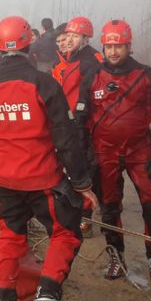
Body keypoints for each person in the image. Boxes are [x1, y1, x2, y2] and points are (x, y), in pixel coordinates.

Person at [0, 15, 98, 301]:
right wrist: (81, 183)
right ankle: (48, 296)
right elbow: (66, 138)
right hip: (43, 181)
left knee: (10, 236)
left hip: (2, 181)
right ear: (31, 46)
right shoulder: (44, 83)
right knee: (66, 232)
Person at [76, 19, 151, 290]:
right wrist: (85, 156)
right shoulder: (92, 76)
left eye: (119, 46)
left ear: (129, 46)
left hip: (140, 151)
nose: (113, 51)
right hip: (104, 152)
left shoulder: (148, 76)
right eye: (109, 46)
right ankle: (115, 256)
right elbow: (82, 120)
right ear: (103, 47)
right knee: (109, 206)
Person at [51, 16, 103, 238]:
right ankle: (84, 214)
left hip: (85, 124)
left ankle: (86, 219)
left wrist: (80, 123)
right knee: (77, 168)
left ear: (85, 38)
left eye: (74, 36)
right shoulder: (73, 59)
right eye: (67, 36)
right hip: (72, 122)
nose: (69, 40)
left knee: (85, 169)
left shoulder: (90, 61)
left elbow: (88, 97)